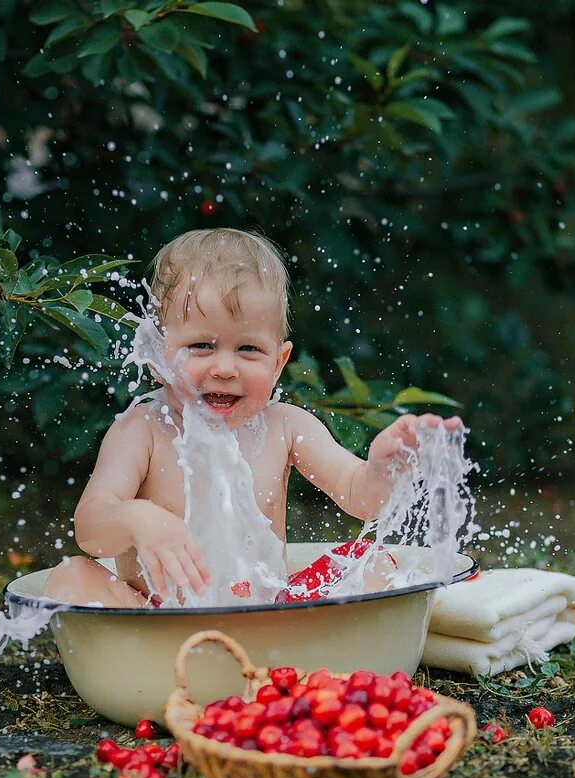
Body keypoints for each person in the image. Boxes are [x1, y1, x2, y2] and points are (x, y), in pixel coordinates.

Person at [44, 228, 461, 607]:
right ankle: (173, 665)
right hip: (159, 618)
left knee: (371, 564)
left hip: (266, 613)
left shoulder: (286, 426)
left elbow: (360, 496)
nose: (225, 368)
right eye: (201, 346)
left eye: (249, 350)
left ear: (279, 363)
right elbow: (90, 529)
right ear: (156, 354)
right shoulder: (142, 430)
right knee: (71, 577)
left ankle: (294, 651)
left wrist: (382, 469)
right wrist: (138, 518)